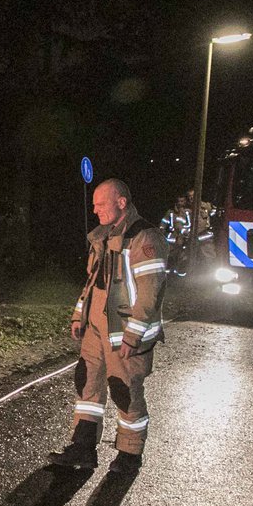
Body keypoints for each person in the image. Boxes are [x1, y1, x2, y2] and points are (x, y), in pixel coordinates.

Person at [48, 177, 169, 475]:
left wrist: (134, 334)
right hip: (96, 329)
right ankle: (83, 448)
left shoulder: (145, 238)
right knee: (87, 383)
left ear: (121, 203)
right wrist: (79, 316)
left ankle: (130, 453)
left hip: (125, 333)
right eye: (94, 205)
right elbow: (92, 284)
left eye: (101, 204)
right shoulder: (102, 237)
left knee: (124, 390)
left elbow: (149, 293)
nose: (95, 210)